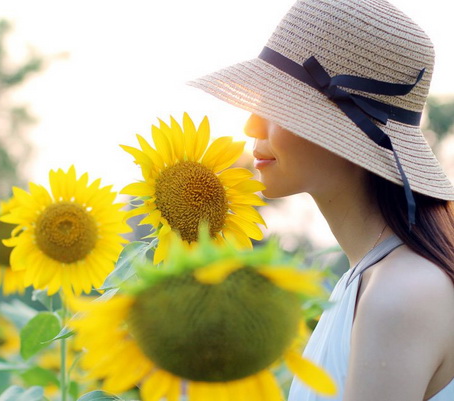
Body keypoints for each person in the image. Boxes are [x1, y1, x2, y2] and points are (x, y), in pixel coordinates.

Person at [190, 0, 454, 400]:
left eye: (278, 104)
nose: (251, 123)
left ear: (349, 132)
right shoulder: (367, 279)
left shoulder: (400, 292)